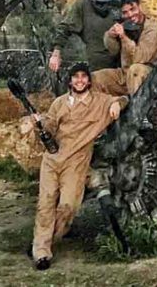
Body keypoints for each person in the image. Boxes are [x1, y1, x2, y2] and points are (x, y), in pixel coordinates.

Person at [30, 62, 127, 270]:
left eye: (84, 76)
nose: (80, 80)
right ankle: (41, 251)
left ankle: (50, 239)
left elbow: (123, 98)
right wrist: (39, 124)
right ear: (70, 80)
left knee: (68, 206)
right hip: (52, 159)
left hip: (76, 163)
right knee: (45, 204)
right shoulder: (59, 103)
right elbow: (49, 128)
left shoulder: (99, 102)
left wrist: (117, 103)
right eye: (76, 77)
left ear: (89, 80)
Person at [91, 0, 157, 96]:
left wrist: (123, 37)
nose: (130, 15)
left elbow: (140, 57)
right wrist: (110, 36)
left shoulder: (152, 29)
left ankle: (137, 111)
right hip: (125, 74)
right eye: (125, 12)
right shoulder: (126, 25)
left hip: (148, 75)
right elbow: (113, 51)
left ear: (140, 7)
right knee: (95, 78)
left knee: (135, 70)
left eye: (133, 9)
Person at [49, 0, 119, 73]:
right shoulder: (82, 4)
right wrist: (56, 53)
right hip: (98, 59)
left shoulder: (116, 3)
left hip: (120, 56)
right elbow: (65, 27)